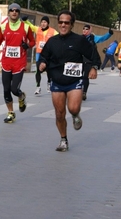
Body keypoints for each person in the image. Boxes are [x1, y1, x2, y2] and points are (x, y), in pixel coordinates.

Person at [38, 10, 101, 152]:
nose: (63, 25)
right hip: (57, 80)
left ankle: (75, 115)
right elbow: (43, 57)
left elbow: (93, 55)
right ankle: (63, 139)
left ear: (72, 25)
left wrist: (93, 68)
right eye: (60, 22)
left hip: (74, 81)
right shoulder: (52, 41)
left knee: (73, 108)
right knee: (59, 113)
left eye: (66, 23)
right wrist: (41, 64)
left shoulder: (79, 40)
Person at [0, 3, 35, 123]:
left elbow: (33, 42)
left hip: (19, 62)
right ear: (8, 12)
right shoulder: (3, 27)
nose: (14, 12)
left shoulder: (25, 27)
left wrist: (27, 45)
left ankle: (21, 96)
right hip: (6, 62)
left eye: (16, 10)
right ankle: (11, 113)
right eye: (12, 10)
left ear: (19, 13)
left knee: (14, 89)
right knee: (6, 89)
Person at [22, 15, 58, 95]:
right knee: (38, 71)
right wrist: (25, 20)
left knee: (49, 70)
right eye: (42, 22)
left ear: (48, 23)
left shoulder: (52, 31)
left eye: (45, 22)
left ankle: (49, 83)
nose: (43, 23)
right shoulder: (37, 29)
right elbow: (30, 26)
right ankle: (38, 87)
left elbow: (59, 37)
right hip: (39, 54)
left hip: (49, 55)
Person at [81, 24, 112, 100]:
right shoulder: (80, 38)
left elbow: (102, 38)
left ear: (90, 30)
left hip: (89, 60)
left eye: (87, 29)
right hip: (80, 60)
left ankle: (84, 92)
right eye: (83, 29)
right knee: (77, 76)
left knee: (85, 77)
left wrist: (109, 33)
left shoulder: (93, 38)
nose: (85, 30)